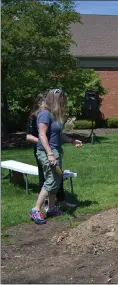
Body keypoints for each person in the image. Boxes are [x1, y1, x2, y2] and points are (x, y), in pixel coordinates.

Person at [29, 89, 82, 224]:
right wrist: (50, 154)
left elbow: (57, 135)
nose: (64, 103)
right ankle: (35, 209)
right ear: (55, 101)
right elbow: (41, 135)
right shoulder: (44, 114)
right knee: (51, 180)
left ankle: (51, 208)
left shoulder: (51, 115)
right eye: (62, 100)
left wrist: (71, 140)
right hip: (48, 152)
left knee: (57, 180)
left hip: (55, 151)